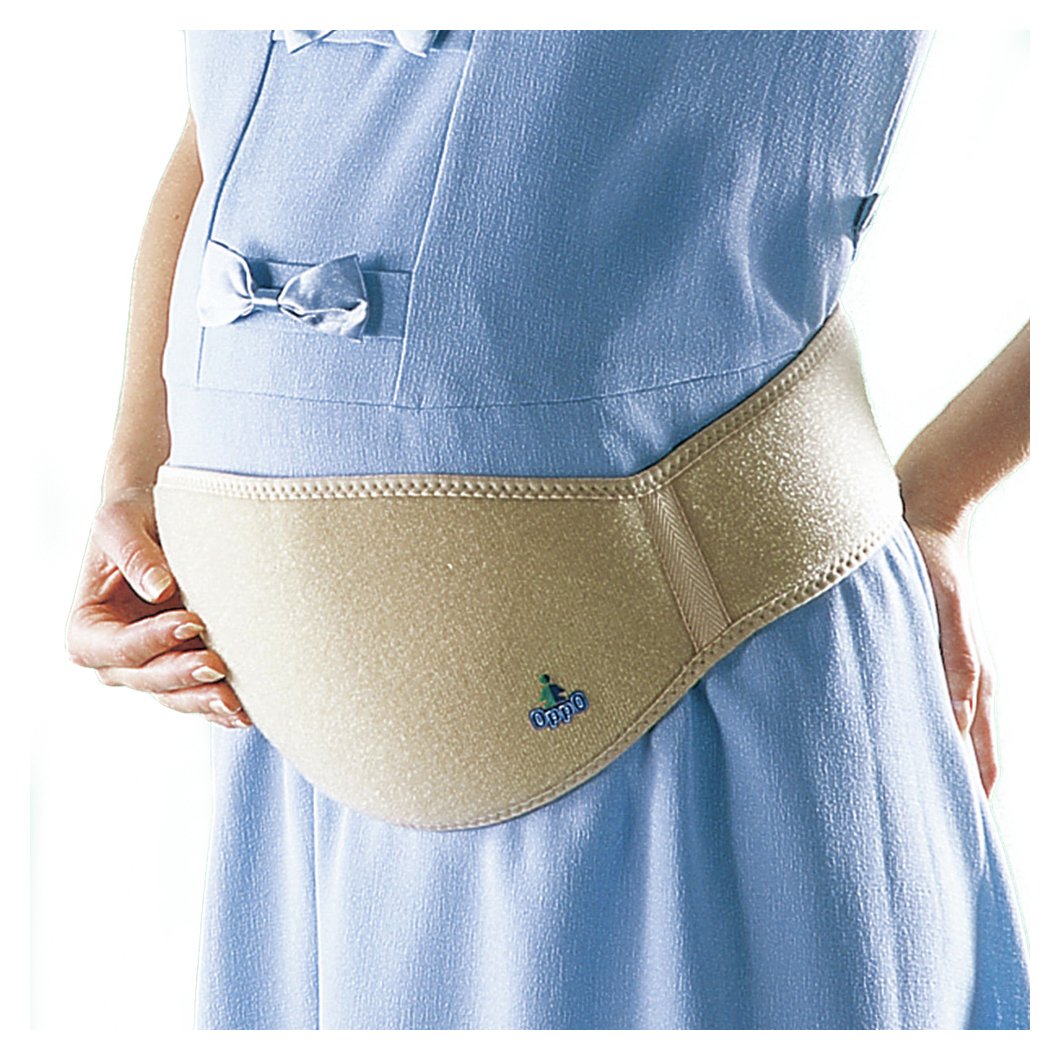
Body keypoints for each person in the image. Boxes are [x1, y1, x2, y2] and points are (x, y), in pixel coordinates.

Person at [65, 30, 1030, 1029]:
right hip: (286, 770)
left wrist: (943, 492)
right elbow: (218, 128)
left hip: (697, 695)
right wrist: (136, 465)